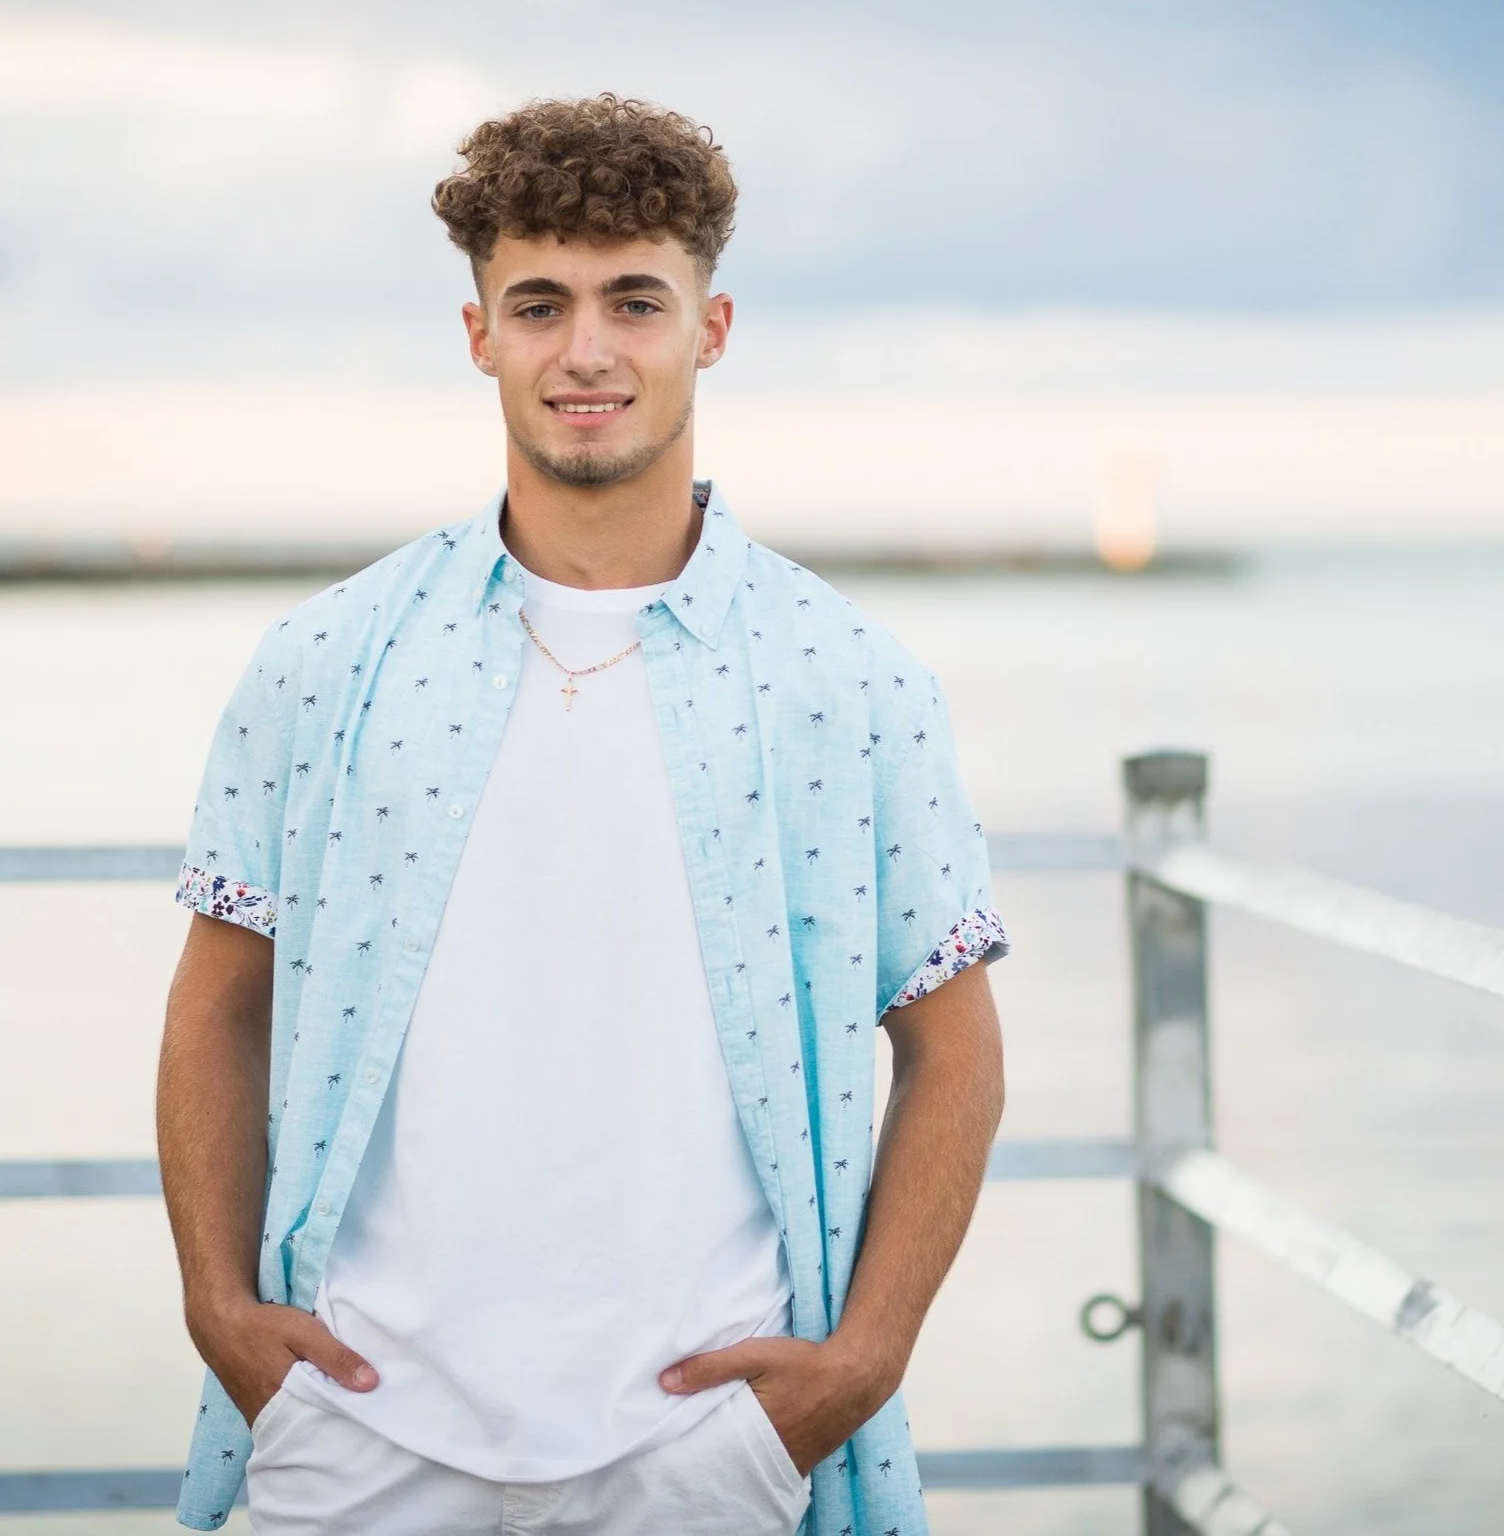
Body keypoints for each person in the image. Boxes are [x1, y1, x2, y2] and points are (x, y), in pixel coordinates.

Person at [156, 94, 1009, 1536]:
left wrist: (855, 1368)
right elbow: (215, 1007)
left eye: (636, 301)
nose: (588, 351)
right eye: (539, 304)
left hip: (706, 1445)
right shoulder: (330, 660)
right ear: (479, 331)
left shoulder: (847, 679)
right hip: (355, 1432)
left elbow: (952, 1046)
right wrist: (223, 1317)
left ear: (712, 327)